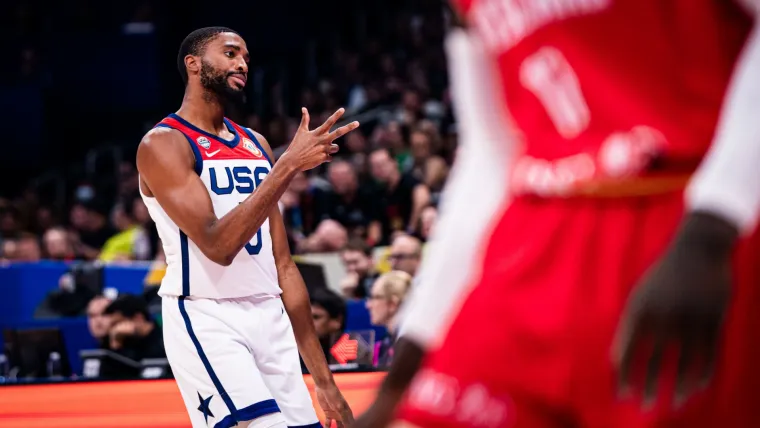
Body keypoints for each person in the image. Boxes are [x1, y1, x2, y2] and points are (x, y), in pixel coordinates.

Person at [356, 2, 760, 428]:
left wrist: (714, 226)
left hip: (686, 218)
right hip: (533, 233)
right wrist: (406, 368)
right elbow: (488, 156)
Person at [135, 27, 359, 428]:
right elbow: (218, 246)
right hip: (206, 314)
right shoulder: (164, 144)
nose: (242, 64)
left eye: (247, 58)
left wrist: (324, 382)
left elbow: (283, 265)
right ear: (193, 64)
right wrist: (287, 166)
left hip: (269, 312)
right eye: (230, 53)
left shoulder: (254, 144)